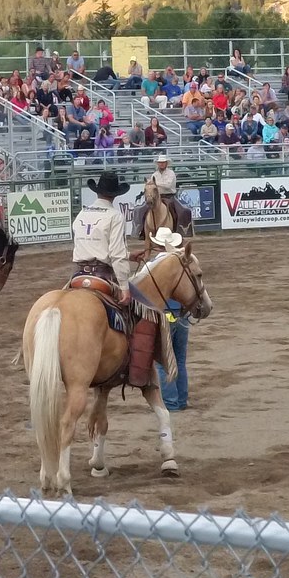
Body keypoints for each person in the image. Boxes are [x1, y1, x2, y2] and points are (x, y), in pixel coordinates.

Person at [72, 173, 152, 388]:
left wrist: (128, 254)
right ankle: (137, 371)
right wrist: (125, 287)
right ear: (115, 195)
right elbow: (114, 255)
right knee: (144, 312)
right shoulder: (114, 216)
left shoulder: (81, 214)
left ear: (97, 192)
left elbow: (92, 247)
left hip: (79, 275)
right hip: (103, 276)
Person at [149, 227, 190, 411]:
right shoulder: (181, 262)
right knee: (180, 359)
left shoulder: (153, 265)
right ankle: (181, 400)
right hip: (182, 314)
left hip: (163, 314)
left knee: (163, 362)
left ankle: (171, 403)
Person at [132, 154, 192, 238]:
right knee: (142, 210)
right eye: (160, 163)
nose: (161, 164)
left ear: (166, 163)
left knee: (181, 211)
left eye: (163, 162)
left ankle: (178, 230)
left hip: (169, 196)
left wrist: (155, 184)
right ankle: (142, 231)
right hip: (156, 197)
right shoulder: (154, 174)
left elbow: (168, 185)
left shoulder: (171, 173)